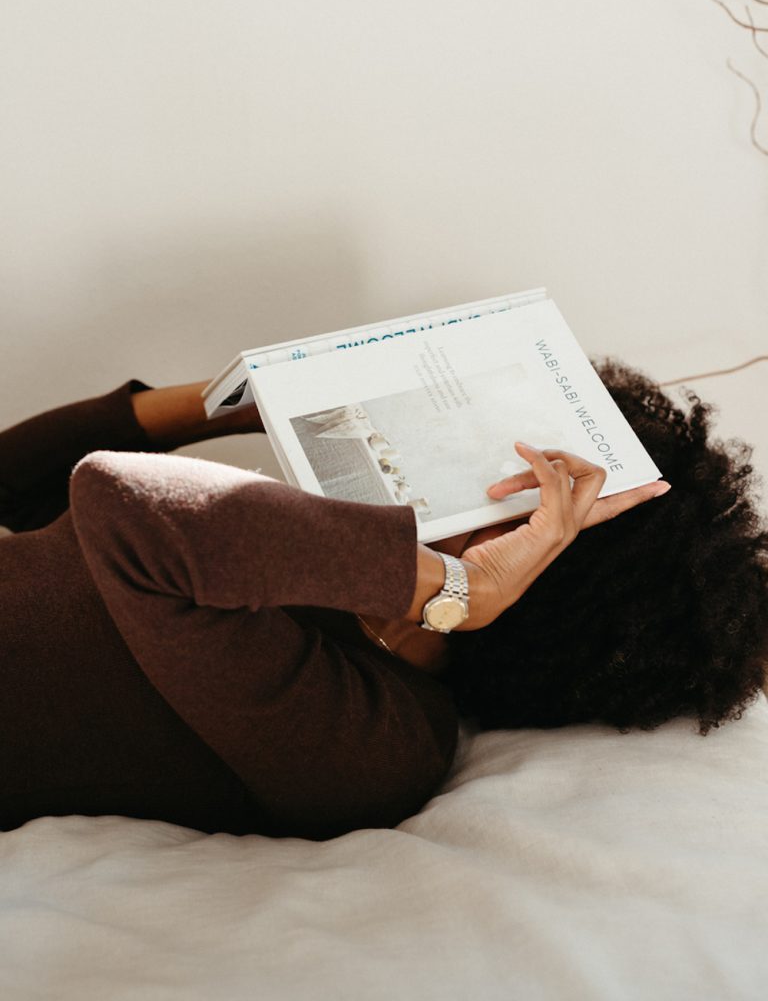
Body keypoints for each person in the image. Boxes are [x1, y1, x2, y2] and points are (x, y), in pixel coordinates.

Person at [0, 360, 764, 840]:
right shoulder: (309, 568)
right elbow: (26, 489)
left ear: (546, 565)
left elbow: (124, 505)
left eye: (527, 483)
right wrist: (235, 400)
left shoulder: (381, 744)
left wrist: (461, 591)